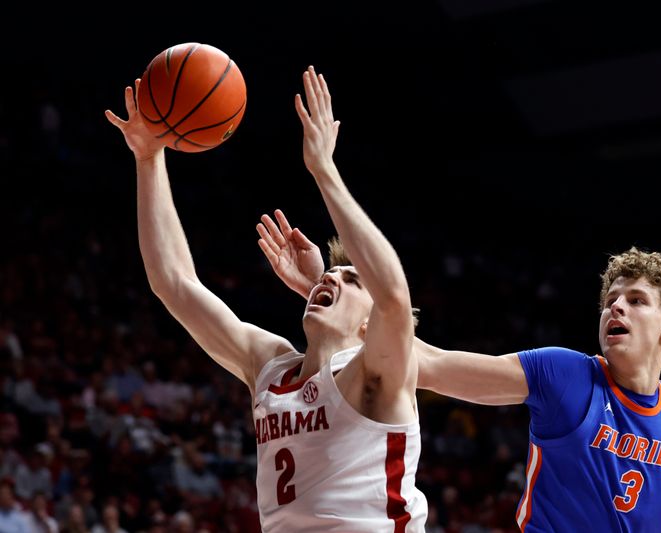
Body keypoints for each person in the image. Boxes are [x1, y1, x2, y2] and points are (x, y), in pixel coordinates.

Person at [258, 214, 661, 532]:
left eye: (635, 301)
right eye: (610, 300)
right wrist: (338, 308)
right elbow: (434, 364)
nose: (616, 308)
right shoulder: (567, 374)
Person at [105, 65, 427, 531]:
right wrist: (149, 158)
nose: (331, 281)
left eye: (353, 281)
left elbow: (394, 297)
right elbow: (173, 282)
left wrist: (324, 171)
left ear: (368, 325)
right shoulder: (271, 364)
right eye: (330, 275)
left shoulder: (377, 374)